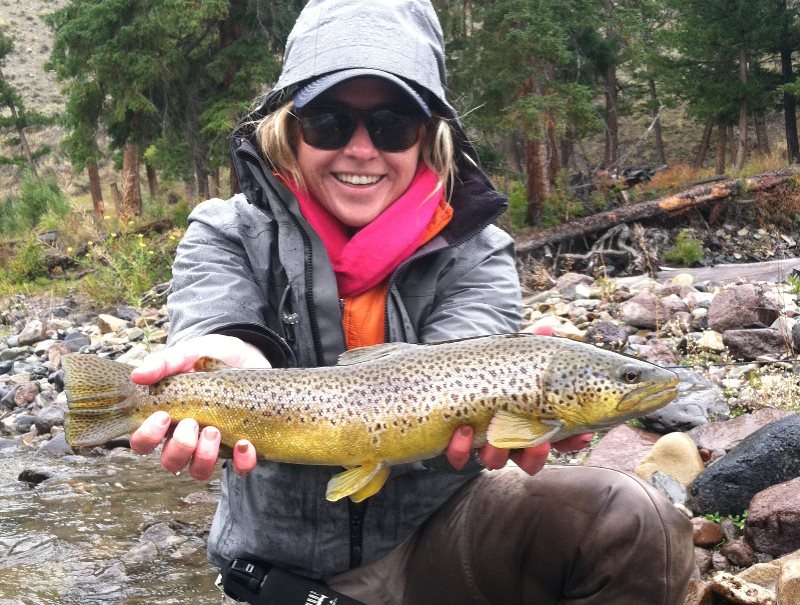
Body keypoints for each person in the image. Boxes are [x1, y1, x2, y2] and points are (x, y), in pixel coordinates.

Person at [128, 1, 694, 603]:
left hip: (438, 534)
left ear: (428, 134)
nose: (362, 149)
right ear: (291, 130)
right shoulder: (225, 230)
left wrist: (517, 420)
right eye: (329, 122)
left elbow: (459, 364)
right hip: (276, 560)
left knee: (636, 521)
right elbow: (222, 324)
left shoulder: (475, 249)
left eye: (394, 123)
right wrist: (229, 350)